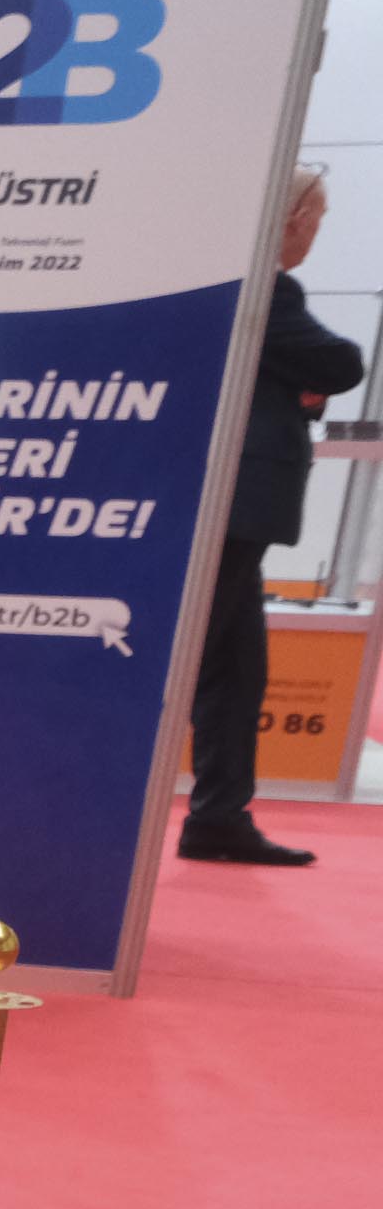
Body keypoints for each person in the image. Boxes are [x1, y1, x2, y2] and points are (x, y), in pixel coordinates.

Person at [184, 164, 363, 867]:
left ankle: (219, 816)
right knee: (201, 660)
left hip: (230, 505)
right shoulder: (268, 287)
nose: (317, 234)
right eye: (317, 220)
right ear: (293, 219)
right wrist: (307, 379)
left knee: (236, 671)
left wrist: (298, 382)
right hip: (234, 504)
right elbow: (340, 363)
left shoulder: (230, 283)